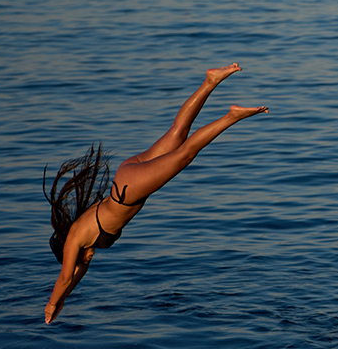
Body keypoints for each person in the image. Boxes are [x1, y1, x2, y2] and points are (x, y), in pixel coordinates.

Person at [43, 64, 267, 323]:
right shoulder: (83, 246)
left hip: (129, 190)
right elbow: (73, 279)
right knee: (177, 133)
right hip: (127, 174)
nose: (90, 257)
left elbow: (65, 277)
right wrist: (63, 300)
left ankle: (231, 116)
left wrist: (50, 306)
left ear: (68, 254)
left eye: (82, 259)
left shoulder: (73, 241)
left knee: (185, 154)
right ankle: (210, 81)